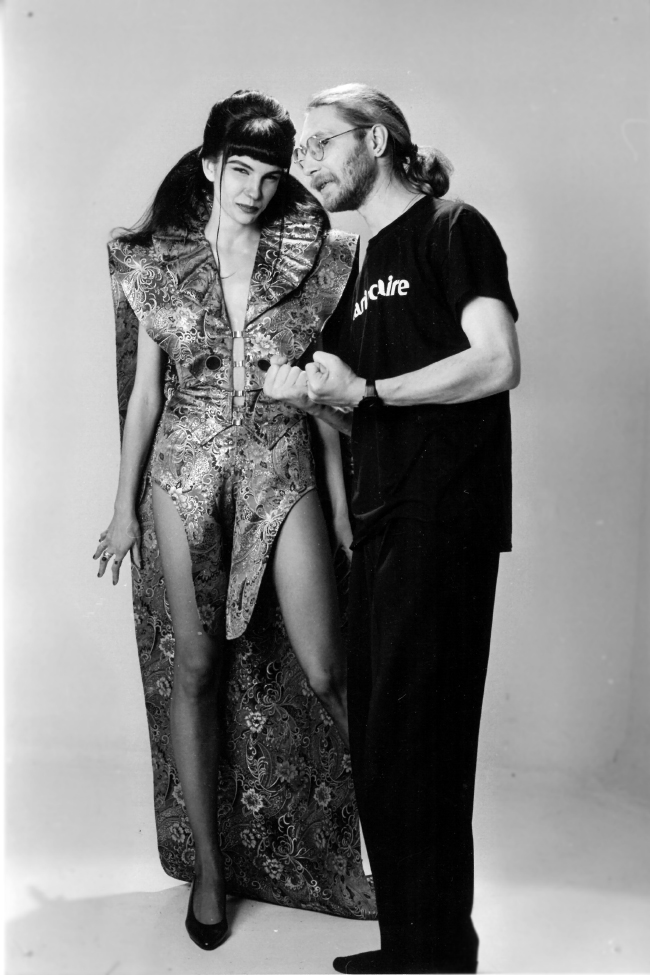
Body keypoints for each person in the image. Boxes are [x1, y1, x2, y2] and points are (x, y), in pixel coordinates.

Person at [94, 89, 376, 952]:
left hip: (281, 461)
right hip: (183, 471)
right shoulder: (158, 262)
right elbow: (147, 398)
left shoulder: (316, 261)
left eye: (270, 174)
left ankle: (404, 850)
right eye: (240, 169)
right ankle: (211, 876)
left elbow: (323, 396)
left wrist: (340, 506)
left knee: (328, 668)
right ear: (212, 165)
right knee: (196, 667)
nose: (254, 188)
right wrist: (121, 510)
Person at [264, 83, 520, 974]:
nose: (308, 165)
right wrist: (315, 399)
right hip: (380, 528)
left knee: (424, 747)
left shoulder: (453, 228)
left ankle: (439, 955)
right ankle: (416, 942)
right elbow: (358, 414)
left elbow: (496, 361)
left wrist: (365, 389)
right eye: (300, 151)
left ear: (375, 140)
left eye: (320, 144)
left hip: (444, 522)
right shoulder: (358, 268)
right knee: (383, 747)